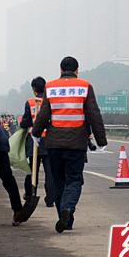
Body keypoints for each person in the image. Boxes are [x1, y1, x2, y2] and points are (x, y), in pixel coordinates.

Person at [32, 56, 107, 233]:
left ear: (60, 70)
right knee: (74, 180)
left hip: (54, 144)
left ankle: (65, 218)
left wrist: (36, 134)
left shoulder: (50, 87)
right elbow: (94, 114)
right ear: (77, 70)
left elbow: (43, 115)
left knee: (59, 182)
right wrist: (101, 140)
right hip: (76, 144)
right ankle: (68, 209)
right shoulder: (85, 86)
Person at [19, 76, 54, 208]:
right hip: (48, 140)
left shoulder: (30, 102)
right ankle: (50, 198)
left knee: (32, 170)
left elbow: (26, 122)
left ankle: (29, 195)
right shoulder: (50, 101)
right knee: (49, 171)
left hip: (34, 140)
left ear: (34, 89)